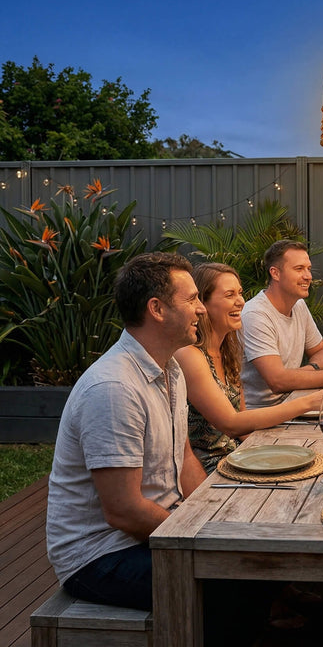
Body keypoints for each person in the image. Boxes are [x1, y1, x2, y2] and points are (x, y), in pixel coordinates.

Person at [46, 252, 208, 611]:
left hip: (152, 531)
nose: (202, 309)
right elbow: (122, 511)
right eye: (192, 299)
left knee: (248, 564)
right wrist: (195, 538)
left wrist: (208, 518)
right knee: (230, 583)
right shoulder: (114, 387)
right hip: (100, 555)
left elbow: (184, 457)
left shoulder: (171, 371)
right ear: (157, 308)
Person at [176, 262, 323, 473]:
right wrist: (309, 402)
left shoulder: (228, 350)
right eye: (229, 295)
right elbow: (232, 424)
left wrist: (270, 453)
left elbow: (243, 428)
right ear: (203, 304)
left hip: (237, 456)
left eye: (240, 293)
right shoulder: (190, 355)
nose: (240, 302)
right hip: (209, 468)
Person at [241, 239, 323, 409]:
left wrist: (306, 371)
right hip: (263, 417)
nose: (308, 276)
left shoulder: (298, 305)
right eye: (299, 269)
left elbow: (322, 351)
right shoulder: (255, 314)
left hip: (296, 402)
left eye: (309, 269)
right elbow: (278, 381)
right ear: (275, 273)